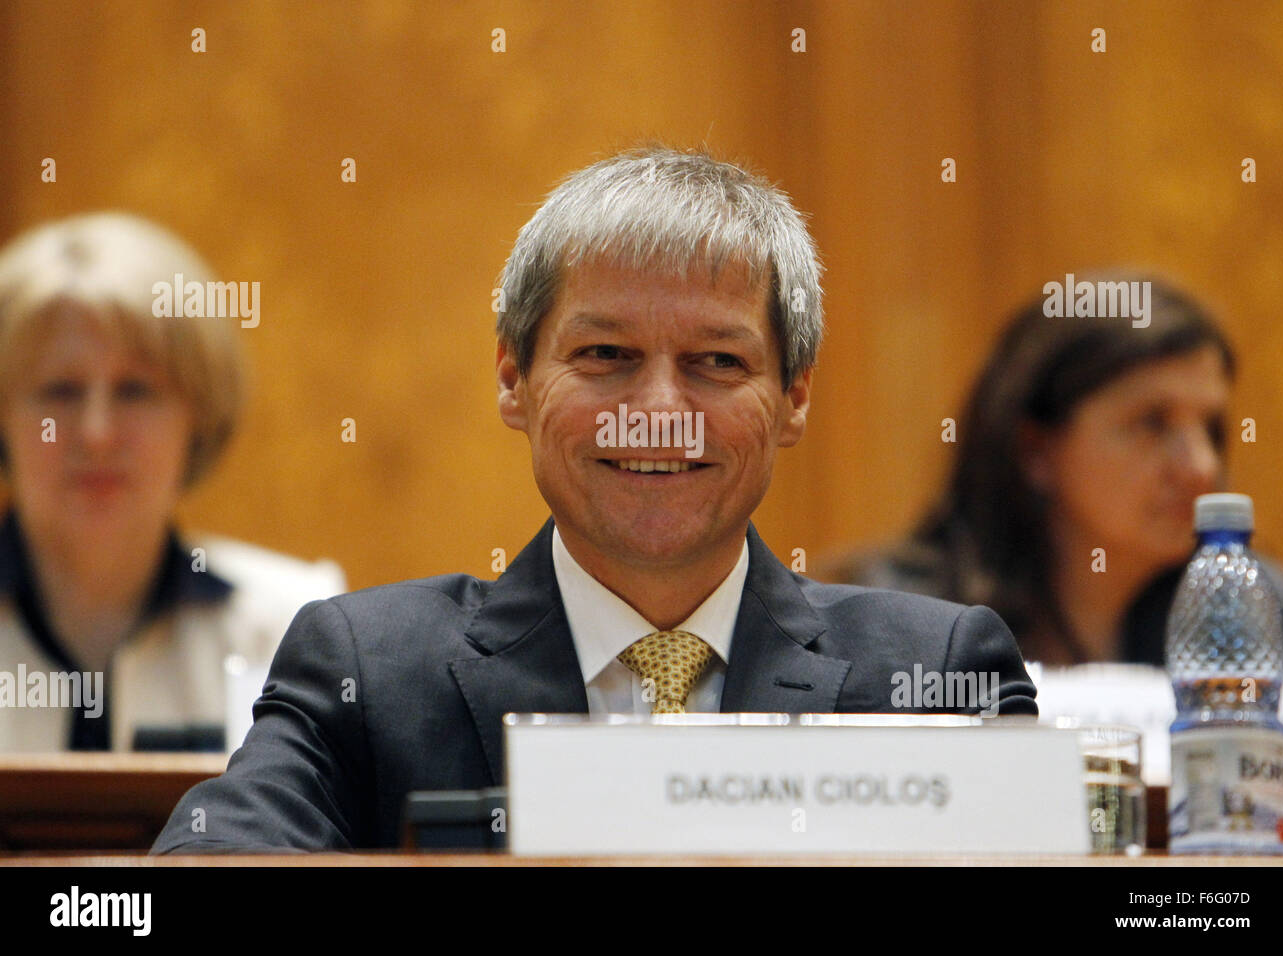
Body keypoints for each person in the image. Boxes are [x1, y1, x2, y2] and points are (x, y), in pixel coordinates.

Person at [152, 145, 1035, 853]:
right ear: (514, 380)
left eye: (717, 363)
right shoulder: (368, 668)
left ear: (793, 399)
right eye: (605, 355)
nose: (658, 414)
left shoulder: (936, 672)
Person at [0, 212, 345, 752]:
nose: (96, 433)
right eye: (60, 391)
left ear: (199, 415)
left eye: (136, 390)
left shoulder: (291, 628)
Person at [828, 274, 1283, 667]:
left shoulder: (1254, 609)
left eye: (1211, 428)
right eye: (1152, 423)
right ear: (1037, 452)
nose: (1202, 467)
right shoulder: (899, 619)